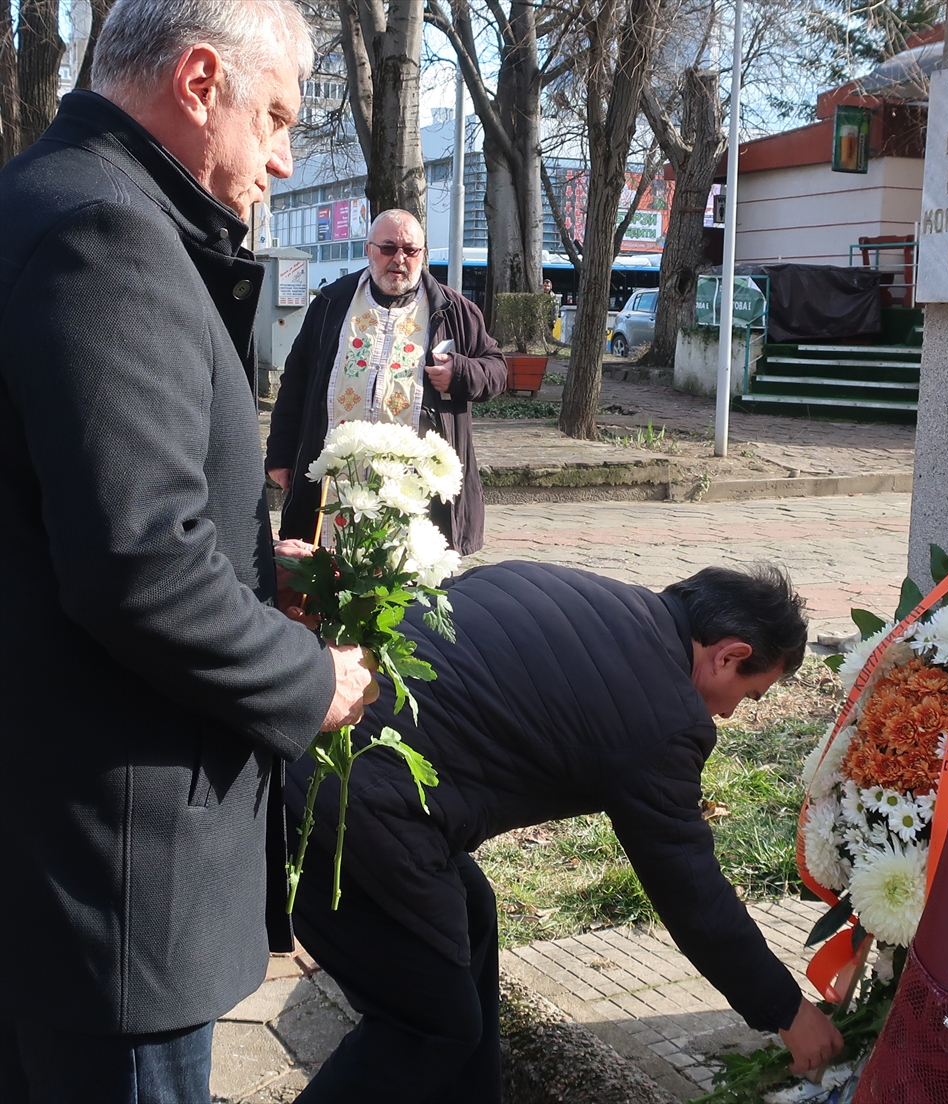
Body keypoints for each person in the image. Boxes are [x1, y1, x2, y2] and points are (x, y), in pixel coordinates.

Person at [0, 2, 378, 1100]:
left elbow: (64, 509)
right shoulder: (106, 232)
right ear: (201, 81)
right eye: (276, 116)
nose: (283, 154)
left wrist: (267, 572)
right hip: (107, 886)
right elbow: (137, 568)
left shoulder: (46, 198)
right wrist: (309, 680)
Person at [284, 560, 844, 1102]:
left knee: (471, 907)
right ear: (730, 656)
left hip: (300, 744)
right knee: (430, 1027)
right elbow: (690, 889)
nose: (728, 715)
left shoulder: (561, 584)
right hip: (344, 802)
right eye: (749, 697)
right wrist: (787, 1011)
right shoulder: (664, 719)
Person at [265, 209, 507, 554]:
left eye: (410, 250)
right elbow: (297, 380)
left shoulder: (454, 311)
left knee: (406, 589)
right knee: (323, 584)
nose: (399, 259)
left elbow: (496, 369)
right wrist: (281, 455)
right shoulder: (332, 303)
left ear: (422, 254)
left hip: (415, 488)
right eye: (388, 247)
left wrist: (460, 372)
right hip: (337, 479)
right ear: (369, 249)